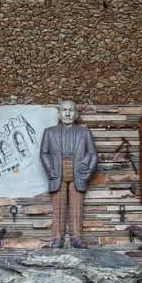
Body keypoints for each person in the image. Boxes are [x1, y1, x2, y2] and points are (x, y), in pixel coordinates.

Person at [39, 100, 97, 248]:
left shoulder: (84, 132)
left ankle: (76, 238)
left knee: (76, 207)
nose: (67, 113)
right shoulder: (49, 132)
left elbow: (92, 154)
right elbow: (44, 153)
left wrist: (88, 173)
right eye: (64, 110)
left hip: (78, 173)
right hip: (57, 173)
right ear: (59, 114)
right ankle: (58, 239)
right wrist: (50, 169)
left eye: (70, 110)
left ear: (76, 113)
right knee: (58, 207)